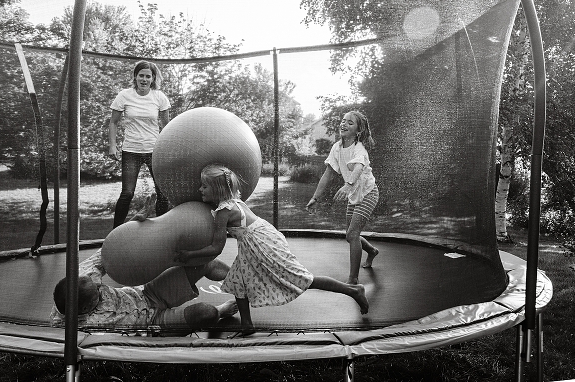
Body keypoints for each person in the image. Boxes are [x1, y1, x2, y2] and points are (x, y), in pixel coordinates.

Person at [175, 164, 368, 337]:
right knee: (238, 280)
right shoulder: (233, 200)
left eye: (204, 186)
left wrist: (189, 254)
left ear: (217, 189)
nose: (200, 189)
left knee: (300, 278)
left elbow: (216, 247)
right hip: (260, 238)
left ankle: (353, 290)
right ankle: (247, 324)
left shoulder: (223, 211)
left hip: (261, 245)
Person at [50, 248, 237, 332]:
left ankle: (242, 283)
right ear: (84, 310)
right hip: (154, 324)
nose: (100, 288)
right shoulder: (76, 329)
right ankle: (221, 312)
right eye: (97, 295)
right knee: (207, 313)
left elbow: (109, 251)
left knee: (203, 264)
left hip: (147, 294)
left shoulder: (85, 277)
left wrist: (132, 226)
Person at [305, 110, 380, 285]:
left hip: (368, 193)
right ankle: (372, 251)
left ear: (358, 131)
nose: (344, 124)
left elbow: (358, 168)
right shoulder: (337, 148)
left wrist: (348, 184)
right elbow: (327, 174)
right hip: (354, 194)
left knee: (352, 234)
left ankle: (353, 280)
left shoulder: (358, 149)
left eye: (350, 123)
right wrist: (315, 197)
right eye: (343, 121)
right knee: (350, 234)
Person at [108, 60, 171, 228]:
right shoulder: (124, 95)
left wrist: (169, 149)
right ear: (135, 77)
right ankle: (115, 233)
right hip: (131, 150)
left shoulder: (159, 97)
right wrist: (112, 145)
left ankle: (162, 232)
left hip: (154, 150)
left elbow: (167, 127)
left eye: (148, 76)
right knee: (127, 193)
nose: (144, 79)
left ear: (153, 78)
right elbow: (113, 122)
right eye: (141, 75)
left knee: (162, 193)